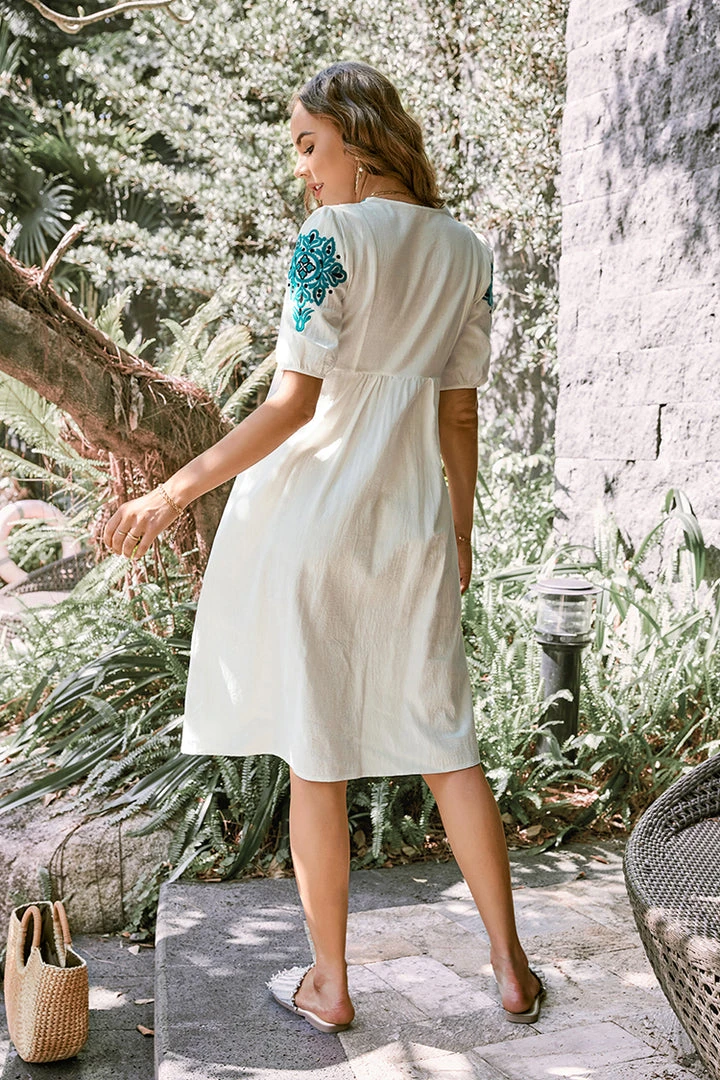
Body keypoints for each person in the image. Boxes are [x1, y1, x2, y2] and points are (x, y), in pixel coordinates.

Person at [104, 60, 545, 1035]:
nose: (302, 169)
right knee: (449, 743)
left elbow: (291, 404)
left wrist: (173, 490)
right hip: (413, 528)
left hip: (312, 526)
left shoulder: (328, 239)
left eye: (309, 144)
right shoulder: (467, 252)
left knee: (319, 758)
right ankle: (510, 966)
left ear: (357, 135)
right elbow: (459, 415)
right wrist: (459, 531)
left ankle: (332, 985)